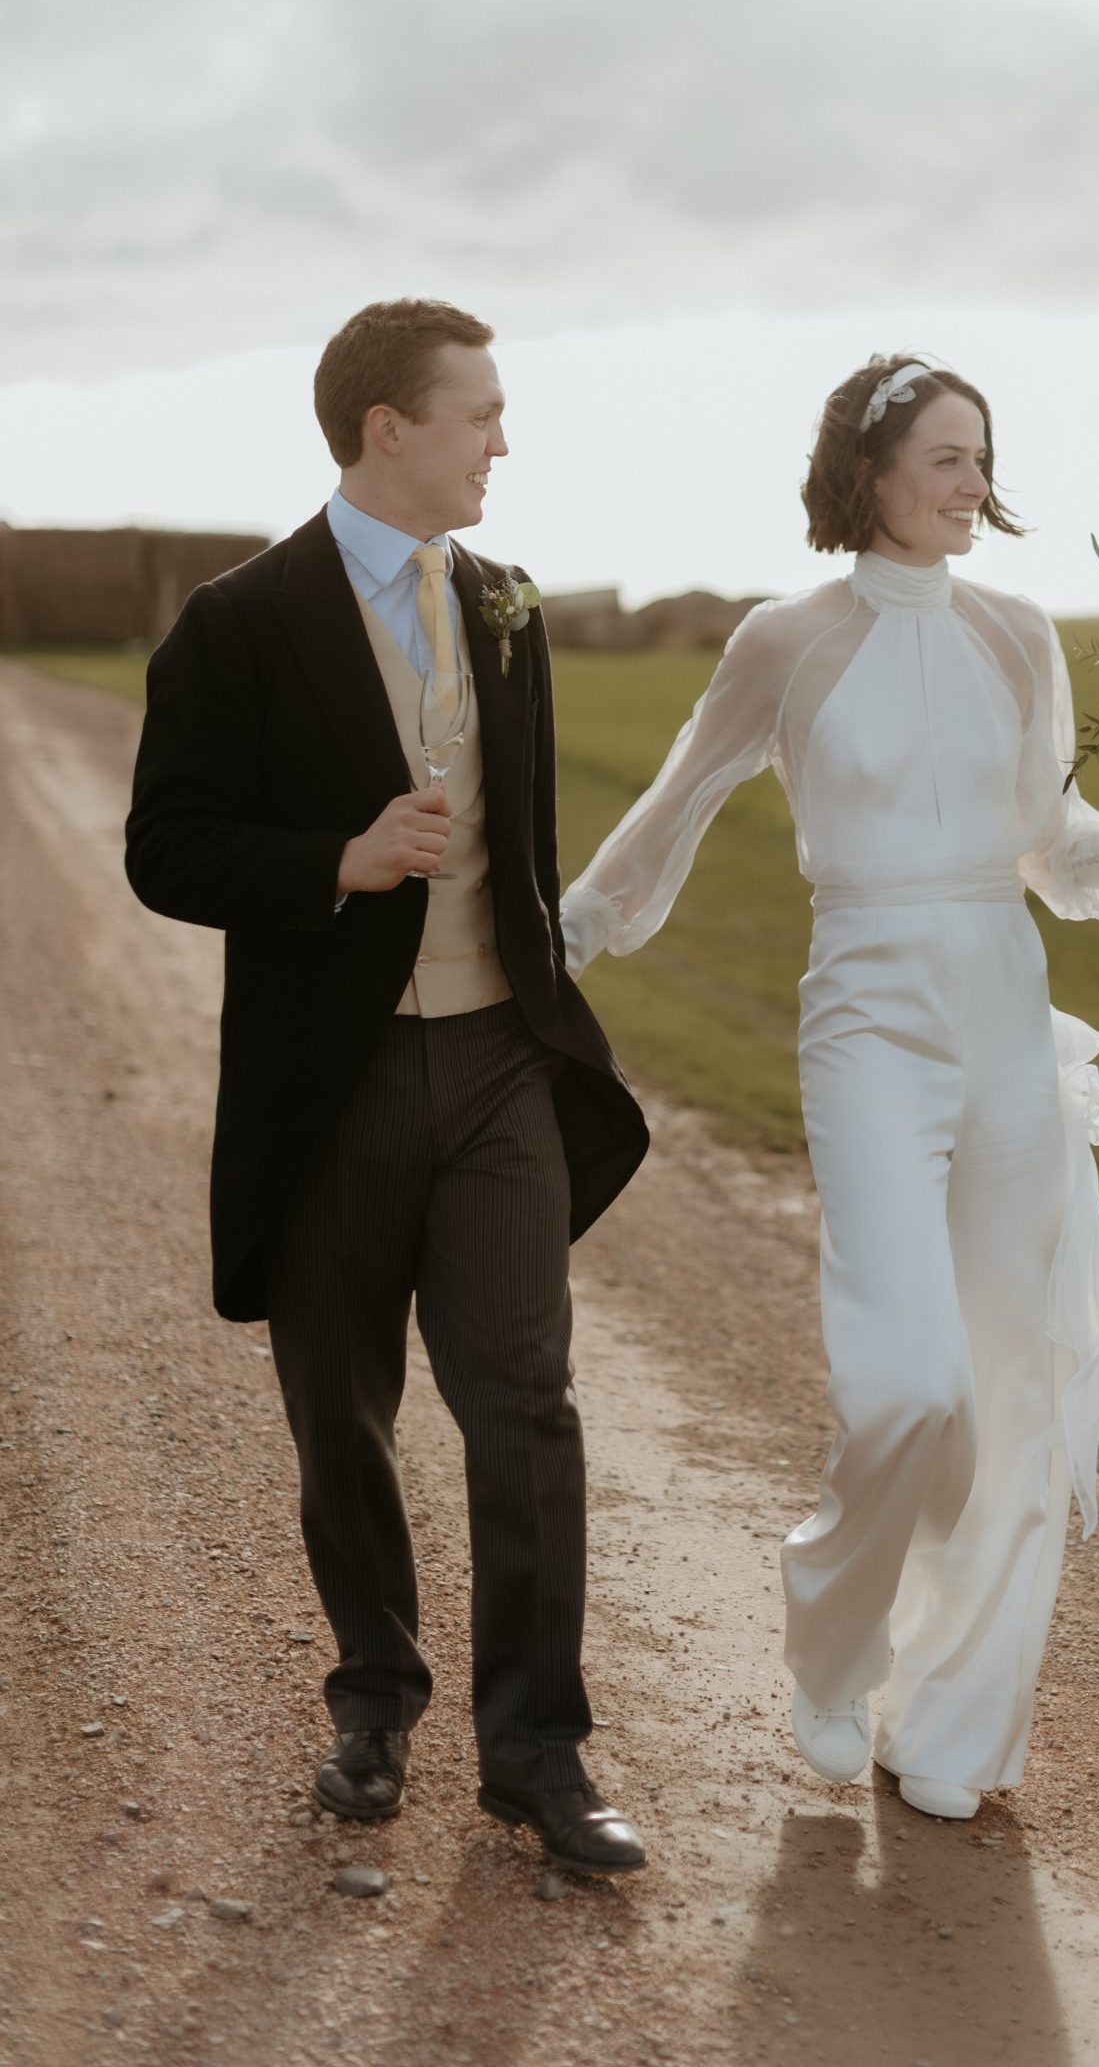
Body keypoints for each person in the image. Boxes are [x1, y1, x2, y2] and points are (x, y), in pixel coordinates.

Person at [557, 354, 1099, 1822]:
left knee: (1002, 1387)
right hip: (866, 1019)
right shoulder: (786, 641)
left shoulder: (1016, 636)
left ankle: (951, 1726)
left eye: (982, 457)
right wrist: (562, 937)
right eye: (943, 457)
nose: (971, 484)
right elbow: (678, 801)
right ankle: (831, 1650)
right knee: (907, 1384)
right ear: (865, 471)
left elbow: (1052, 852)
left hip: (1000, 1015)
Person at [125, 298, 650, 1876]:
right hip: (332, 1078)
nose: (504, 438)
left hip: (501, 1062)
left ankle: (539, 1757)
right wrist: (337, 866)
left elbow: (529, 848)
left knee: (527, 1403)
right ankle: (375, 1696)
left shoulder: (508, 605)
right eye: (479, 410)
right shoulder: (237, 621)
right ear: (387, 430)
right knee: (341, 1414)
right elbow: (165, 848)